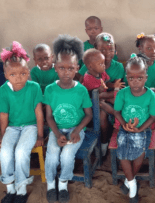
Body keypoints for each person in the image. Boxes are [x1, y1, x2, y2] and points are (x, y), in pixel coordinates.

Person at [44, 34, 93, 203]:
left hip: (75, 130)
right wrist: (57, 134)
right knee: (52, 154)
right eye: (62, 68)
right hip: (56, 130)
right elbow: (49, 116)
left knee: (66, 156)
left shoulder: (81, 90)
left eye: (70, 68)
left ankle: (63, 184)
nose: (66, 72)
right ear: (55, 67)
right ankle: (51, 185)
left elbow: (89, 114)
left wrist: (77, 130)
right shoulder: (50, 90)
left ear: (77, 68)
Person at [0, 41, 44, 203]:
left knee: (21, 152)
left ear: (28, 72)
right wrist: (4, 137)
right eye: (13, 74)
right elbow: (3, 116)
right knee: (5, 152)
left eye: (22, 73)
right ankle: (10, 188)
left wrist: (41, 135)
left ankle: (21, 189)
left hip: (31, 126)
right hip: (12, 128)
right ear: (6, 75)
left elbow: (38, 113)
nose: (18, 78)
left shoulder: (34, 87)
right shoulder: (3, 90)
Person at [114, 53, 155, 203]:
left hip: (143, 130)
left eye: (140, 78)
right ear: (127, 78)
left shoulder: (151, 95)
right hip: (125, 128)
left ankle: (128, 181)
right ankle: (133, 187)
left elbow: (153, 117)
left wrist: (140, 129)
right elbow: (117, 112)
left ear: (146, 77)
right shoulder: (123, 93)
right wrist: (124, 124)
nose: (135, 82)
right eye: (131, 78)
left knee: (139, 154)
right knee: (122, 154)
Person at [78, 33, 125, 157]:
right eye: (102, 50)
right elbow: (82, 87)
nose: (107, 53)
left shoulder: (118, 67)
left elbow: (116, 86)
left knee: (107, 109)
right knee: (101, 113)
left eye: (111, 49)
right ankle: (101, 144)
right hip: (91, 101)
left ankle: (107, 143)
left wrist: (101, 96)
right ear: (95, 49)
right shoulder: (88, 66)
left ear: (115, 49)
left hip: (108, 99)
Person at [82, 48, 114, 114]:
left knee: (116, 97)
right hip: (92, 100)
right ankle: (116, 114)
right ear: (90, 67)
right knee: (102, 104)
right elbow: (93, 94)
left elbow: (107, 83)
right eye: (100, 64)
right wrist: (100, 89)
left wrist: (114, 85)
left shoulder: (101, 72)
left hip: (103, 96)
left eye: (103, 63)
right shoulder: (88, 78)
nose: (104, 66)